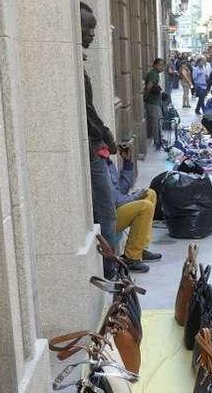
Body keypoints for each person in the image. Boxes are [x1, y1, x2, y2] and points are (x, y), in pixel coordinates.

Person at [80, 2, 118, 261]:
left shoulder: (78, 66)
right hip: (93, 148)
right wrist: (105, 134)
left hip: (96, 144)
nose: (92, 33)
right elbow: (88, 112)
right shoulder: (75, 71)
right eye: (87, 27)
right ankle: (111, 265)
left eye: (94, 27)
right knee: (107, 210)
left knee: (107, 209)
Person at [105, 147, 162, 273]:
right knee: (145, 206)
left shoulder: (108, 162)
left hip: (116, 209)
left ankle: (140, 248)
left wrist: (127, 164)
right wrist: (135, 197)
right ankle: (131, 258)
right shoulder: (100, 166)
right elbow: (115, 200)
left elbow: (121, 189)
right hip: (108, 218)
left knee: (150, 193)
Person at [143, 58, 165, 151]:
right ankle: (157, 142)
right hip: (153, 102)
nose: (162, 67)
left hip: (155, 102)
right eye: (160, 65)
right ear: (154, 65)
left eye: (163, 65)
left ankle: (158, 139)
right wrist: (146, 97)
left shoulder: (155, 74)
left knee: (157, 122)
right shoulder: (153, 74)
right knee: (156, 123)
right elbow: (149, 87)